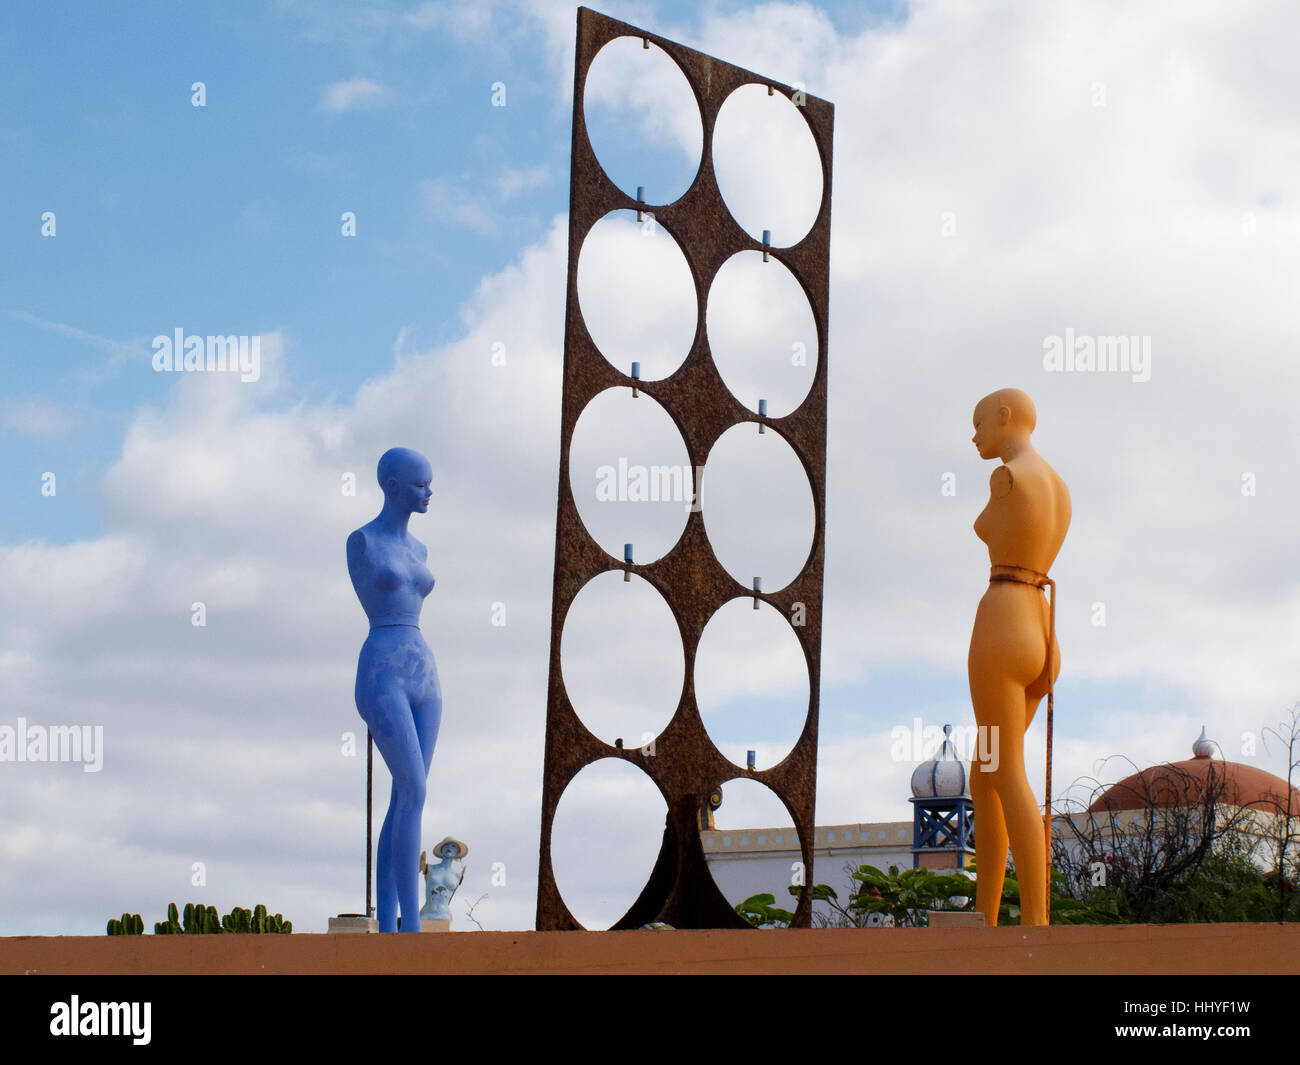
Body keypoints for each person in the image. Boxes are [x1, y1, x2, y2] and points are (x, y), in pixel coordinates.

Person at [967, 389, 1070, 926]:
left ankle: (1035, 921)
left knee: (1005, 770)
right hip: (1043, 628)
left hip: (1003, 622)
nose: (975, 435)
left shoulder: (1005, 479)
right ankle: (983, 914)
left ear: (1006, 417)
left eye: (979, 422)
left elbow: (989, 531)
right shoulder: (1059, 486)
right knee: (982, 771)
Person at [347, 447, 441, 933]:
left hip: (423, 669)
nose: (429, 492)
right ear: (391, 484)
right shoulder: (362, 542)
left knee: (405, 795)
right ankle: (409, 929)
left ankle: (389, 924)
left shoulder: (419, 551)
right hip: (382, 669)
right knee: (414, 789)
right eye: (420, 483)